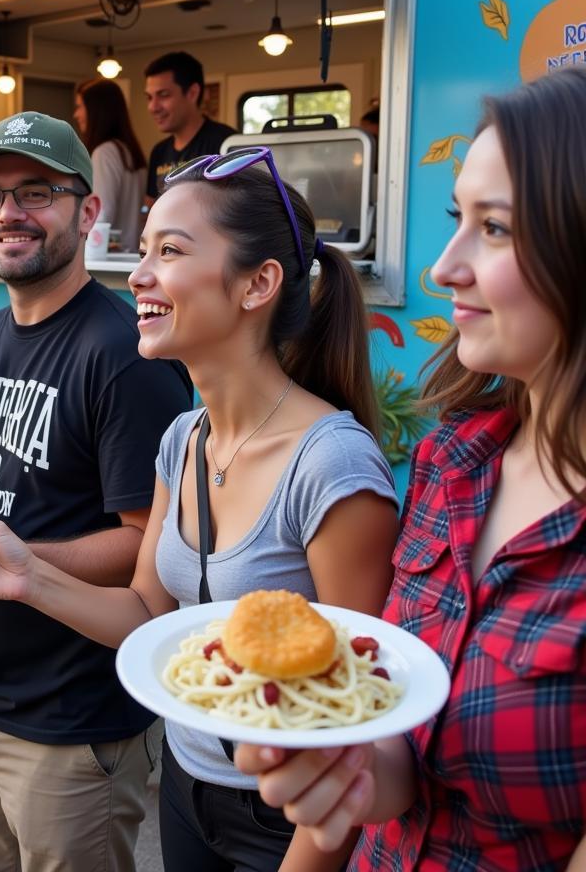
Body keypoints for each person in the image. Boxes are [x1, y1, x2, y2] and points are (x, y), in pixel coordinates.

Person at [0, 141, 400, 870]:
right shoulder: (184, 440)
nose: (141, 275)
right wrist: (26, 574)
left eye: (171, 251)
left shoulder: (333, 467)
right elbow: (148, 617)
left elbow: (363, 713)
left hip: (289, 816)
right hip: (188, 785)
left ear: (258, 285)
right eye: (145, 249)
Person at [235, 67, 586, 871]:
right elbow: (403, 752)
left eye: (494, 229)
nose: (443, 268)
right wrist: (353, 770)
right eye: (456, 218)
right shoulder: (450, 462)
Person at [0, 110, 193, 871]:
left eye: (35, 192)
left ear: (87, 212)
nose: (8, 214)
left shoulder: (124, 354)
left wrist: (17, 563)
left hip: (71, 724)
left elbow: (151, 547)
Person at [143, 51, 237, 203]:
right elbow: (151, 204)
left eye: (164, 95)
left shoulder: (226, 143)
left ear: (192, 93)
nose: (153, 107)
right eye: (149, 97)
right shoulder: (159, 151)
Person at [73, 77, 147, 252]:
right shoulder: (130, 151)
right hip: (132, 255)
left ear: (96, 111)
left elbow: (101, 215)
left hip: (109, 259)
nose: (76, 114)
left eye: (80, 107)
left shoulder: (105, 152)